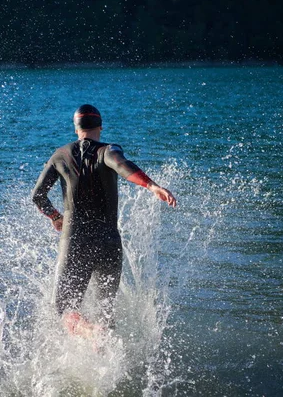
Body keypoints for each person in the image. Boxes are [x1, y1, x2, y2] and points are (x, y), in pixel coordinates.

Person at [32, 104, 176, 331]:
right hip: (108, 243)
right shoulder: (108, 150)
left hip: (75, 242)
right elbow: (121, 165)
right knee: (105, 314)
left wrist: (55, 217)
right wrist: (151, 185)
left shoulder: (59, 155)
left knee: (64, 309)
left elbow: (38, 196)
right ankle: (105, 351)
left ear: (75, 128)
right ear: (100, 126)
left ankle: (88, 335)